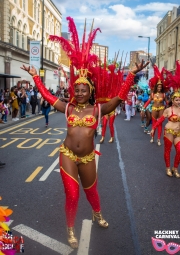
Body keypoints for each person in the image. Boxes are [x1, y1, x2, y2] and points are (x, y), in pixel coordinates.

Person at [20, 16, 149, 249]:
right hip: (67, 154)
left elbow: (119, 96)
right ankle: (70, 229)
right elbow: (49, 98)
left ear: (89, 91)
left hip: (88, 158)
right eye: (76, 89)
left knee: (92, 193)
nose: (78, 93)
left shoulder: (99, 108)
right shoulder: (67, 107)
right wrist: (36, 78)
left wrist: (131, 75)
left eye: (83, 90)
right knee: (72, 195)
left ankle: (97, 214)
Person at [143, 66, 170, 145]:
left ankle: (158, 139)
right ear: (156, 87)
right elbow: (149, 101)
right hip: (154, 109)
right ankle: (152, 137)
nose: (159, 88)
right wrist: (144, 107)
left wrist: (172, 104)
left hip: (161, 108)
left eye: (160, 87)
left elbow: (167, 102)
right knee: (154, 124)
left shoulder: (164, 94)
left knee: (160, 124)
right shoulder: (153, 94)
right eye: (158, 86)